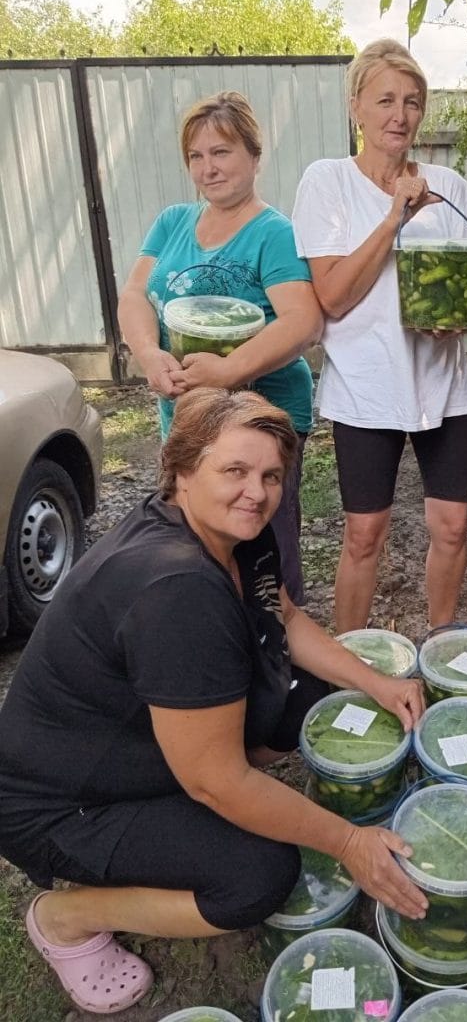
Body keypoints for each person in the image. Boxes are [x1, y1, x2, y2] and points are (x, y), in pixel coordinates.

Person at [0, 388, 427, 1017]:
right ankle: (66, 916)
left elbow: (280, 613)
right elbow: (216, 783)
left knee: (308, 692)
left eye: (271, 475)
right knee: (258, 874)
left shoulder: (231, 530)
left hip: (142, 740)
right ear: (181, 470)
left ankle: (210, 787)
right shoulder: (173, 587)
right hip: (62, 803)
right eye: (234, 470)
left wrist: (375, 681)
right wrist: (349, 842)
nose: (256, 491)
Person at [291, 39, 467, 634]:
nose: (400, 115)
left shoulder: (449, 185)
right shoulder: (326, 182)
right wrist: (394, 217)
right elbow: (333, 296)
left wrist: (461, 319)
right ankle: (349, 657)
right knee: (363, 533)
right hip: (366, 387)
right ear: (356, 108)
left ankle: (441, 646)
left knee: (452, 526)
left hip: (443, 384)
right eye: (385, 101)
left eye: (412, 102)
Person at [118, 90, 321, 605]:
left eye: (222, 152)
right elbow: (135, 295)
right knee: (191, 551)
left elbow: (302, 321)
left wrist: (227, 372)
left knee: (265, 557)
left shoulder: (273, 233)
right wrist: (148, 353)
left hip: (260, 423)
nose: (208, 168)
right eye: (196, 156)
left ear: (254, 156)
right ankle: (209, 658)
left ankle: (281, 669)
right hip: (187, 421)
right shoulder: (172, 222)